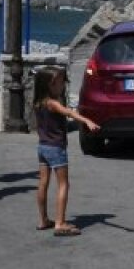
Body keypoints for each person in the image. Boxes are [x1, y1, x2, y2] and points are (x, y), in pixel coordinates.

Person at [32, 65, 100, 236]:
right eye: (60, 83)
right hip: (56, 148)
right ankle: (60, 222)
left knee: (43, 183)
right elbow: (69, 112)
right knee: (63, 184)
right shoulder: (53, 103)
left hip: (42, 147)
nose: (63, 86)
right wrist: (87, 121)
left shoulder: (38, 102)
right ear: (50, 84)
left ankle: (43, 220)